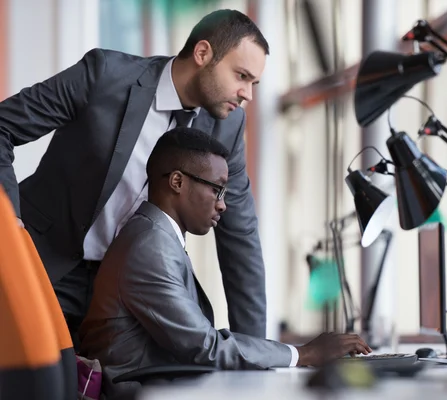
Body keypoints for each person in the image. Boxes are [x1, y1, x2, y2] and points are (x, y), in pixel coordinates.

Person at [0, 9, 270, 347]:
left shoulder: (227, 127)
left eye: (253, 83)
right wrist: (9, 224)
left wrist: (258, 354)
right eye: (241, 76)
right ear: (203, 54)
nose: (247, 94)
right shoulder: (104, 76)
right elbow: (3, 126)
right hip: (46, 265)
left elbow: (240, 236)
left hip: (129, 292)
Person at [79, 127, 372, 399]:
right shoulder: (149, 246)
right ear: (177, 182)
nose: (223, 204)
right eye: (217, 189)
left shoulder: (154, 237)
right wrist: (303, 354)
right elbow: (206, 347)